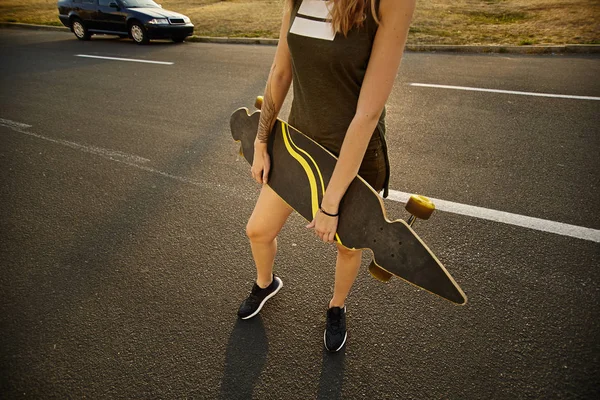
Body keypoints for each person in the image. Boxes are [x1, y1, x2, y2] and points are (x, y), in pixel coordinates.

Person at [237, 0, 416, 352]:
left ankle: (337, 306)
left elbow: (367, 114)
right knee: (257, 230)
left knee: (346, 248)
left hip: (356, 159)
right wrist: (262, 140)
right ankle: (266, 283)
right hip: (301, 149)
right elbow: (280, 72)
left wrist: (331, 203)